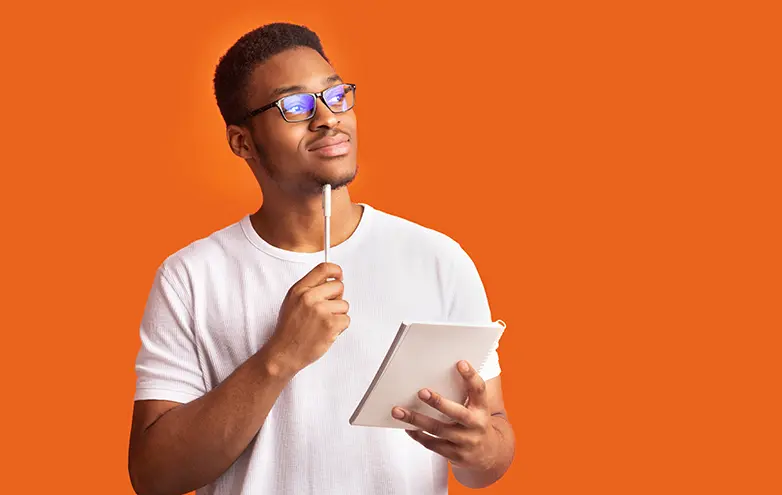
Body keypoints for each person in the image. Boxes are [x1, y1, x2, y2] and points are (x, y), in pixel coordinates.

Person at [127, 22, 515, 495]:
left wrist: (482, 447)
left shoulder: (439, 258)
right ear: (242, 142)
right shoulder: (190, 278)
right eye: (295, 106)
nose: (328, 118)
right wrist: (279, 357)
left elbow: (490, 442)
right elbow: (154, 477)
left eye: (335, 96)